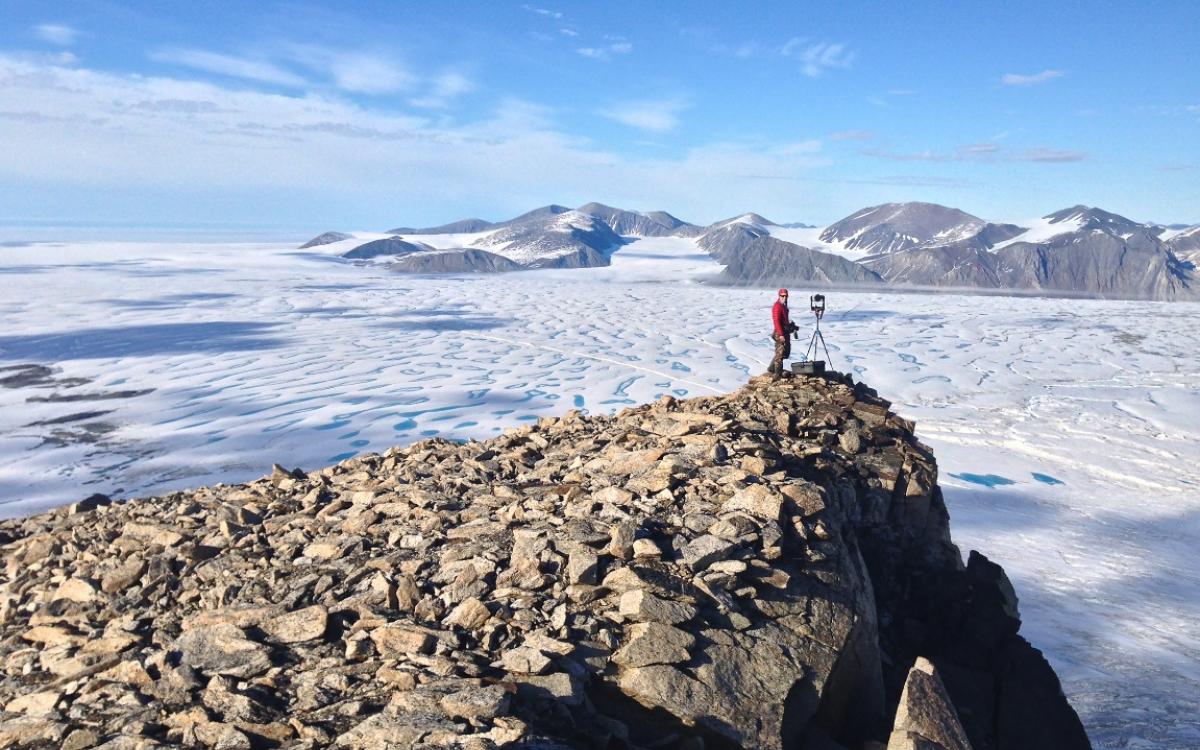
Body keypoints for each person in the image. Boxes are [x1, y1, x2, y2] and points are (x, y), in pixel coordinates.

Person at [769, 288, 799, 380]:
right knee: (780, 354)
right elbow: (776, 321)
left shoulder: (783, 305)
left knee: (785, 352)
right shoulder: (777, 306)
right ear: (779, 296)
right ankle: (777, 374)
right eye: (782, 296)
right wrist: (781, 334)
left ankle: (771, 368)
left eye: (786, 296)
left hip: (785, 332)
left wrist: (792, 327)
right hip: (780, 333)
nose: (784, 297)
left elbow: (784, 321)